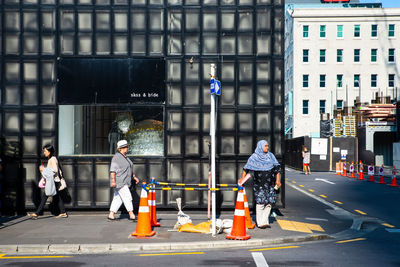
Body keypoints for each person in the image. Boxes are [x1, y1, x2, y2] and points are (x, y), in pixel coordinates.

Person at [238, 140, 281, 229]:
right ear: (260, 146)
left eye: (267, 146)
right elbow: (246, 168)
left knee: (269, 203)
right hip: (259, 185)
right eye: (265, 146)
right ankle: (260, 222)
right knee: (260, 202)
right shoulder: (254, 157)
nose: (267, 147)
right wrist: (242, 178)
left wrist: (278, 180)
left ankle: (265, 221)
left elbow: (277, 168)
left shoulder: (270, 156)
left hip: (270, 184)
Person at [29, 144, 68, 219]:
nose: (44, 153)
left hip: (53, 181)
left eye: (45, 151)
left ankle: (37, 213)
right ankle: (63, 212)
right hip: (55, 181)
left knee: (45, 196)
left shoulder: (52, 159)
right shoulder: (52, 158)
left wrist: (43, 169)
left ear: (49, 152)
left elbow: (55, 170)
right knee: (57, 196)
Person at [108, 140, 139, 221]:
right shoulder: (116, 158)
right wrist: (113, 181)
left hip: (124, 181)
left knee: (118, 198)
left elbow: (129, 168)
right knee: (127, 197)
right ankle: (131, 214)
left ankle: (111, 214)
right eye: (125, 147)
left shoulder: (125, 157)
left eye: (127, 146)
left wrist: (134, 177)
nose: (127, 148)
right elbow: (112, 171)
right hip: (120, 181)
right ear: (120, 149)